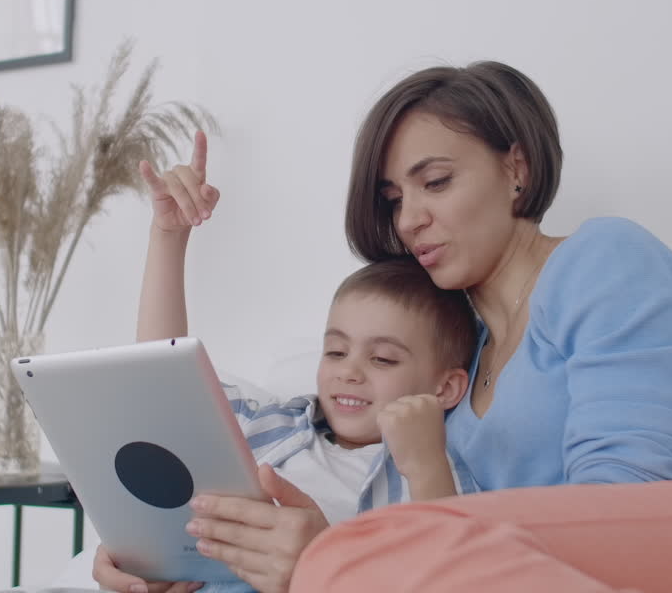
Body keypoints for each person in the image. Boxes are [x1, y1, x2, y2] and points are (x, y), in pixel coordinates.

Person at [185, 62, 672, 593]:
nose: (410, 218)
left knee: (351, 557)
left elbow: (629, 499)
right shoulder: (454, 368)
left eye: (436, 181)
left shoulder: (602, 258)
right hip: (609, 564)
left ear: (516, 168)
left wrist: (345, 558)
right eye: (393, 199)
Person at [92, 131, 482, 593]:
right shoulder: (271, 427)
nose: (349, 371)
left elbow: (450, 572)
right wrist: (168, 236)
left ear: (444, 388)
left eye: (382, 359)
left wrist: (426, 464)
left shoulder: (435, 472)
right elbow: (161, 387)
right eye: (335, 351)